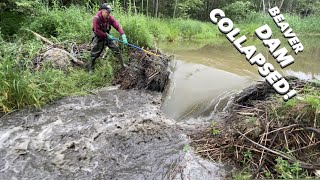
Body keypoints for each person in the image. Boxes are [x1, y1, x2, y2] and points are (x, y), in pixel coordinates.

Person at [86, 3, 128, 71]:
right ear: (102, 10)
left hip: (107, 37)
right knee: (95, 53)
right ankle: (90, 68)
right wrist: (107, 35)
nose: (109, 14)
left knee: (116, 49)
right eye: (107, 12)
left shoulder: (109, 17)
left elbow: (117, 26)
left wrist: (123, 35)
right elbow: (97, 31)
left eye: (110, 12)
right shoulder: (96, 18)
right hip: (98, 37)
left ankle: (123, 65)